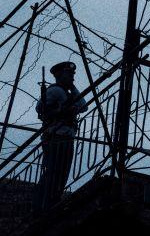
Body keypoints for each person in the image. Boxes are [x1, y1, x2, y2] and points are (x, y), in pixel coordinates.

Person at [33, 61, 87, 214]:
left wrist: (73, 88)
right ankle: (42, 205)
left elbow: (84, 106)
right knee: (53, 172)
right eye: (69, 73)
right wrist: (60, 110)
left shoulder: (67, 92)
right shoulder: (55, 91)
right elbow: (41, 108)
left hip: (66, 136)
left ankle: (52, 201)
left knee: (61, 172)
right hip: (55, 136)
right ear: (59, 75)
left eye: (72, 74)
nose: (72, 76)